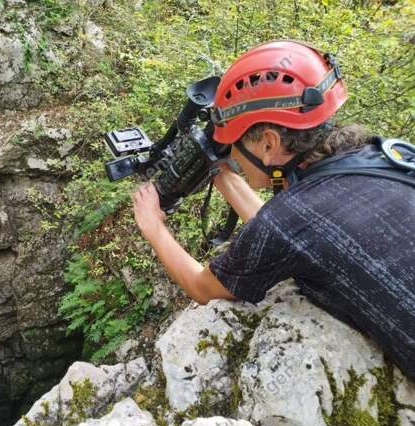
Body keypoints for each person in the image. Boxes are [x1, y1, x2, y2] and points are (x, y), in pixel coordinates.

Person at [131, 40, 415, 379]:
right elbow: (293, 227)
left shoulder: (292, 219)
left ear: (268, 144)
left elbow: (203, 286)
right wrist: (221, 171)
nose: (232, 156)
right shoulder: (376, 156)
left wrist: (153, 226)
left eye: (234, 145)